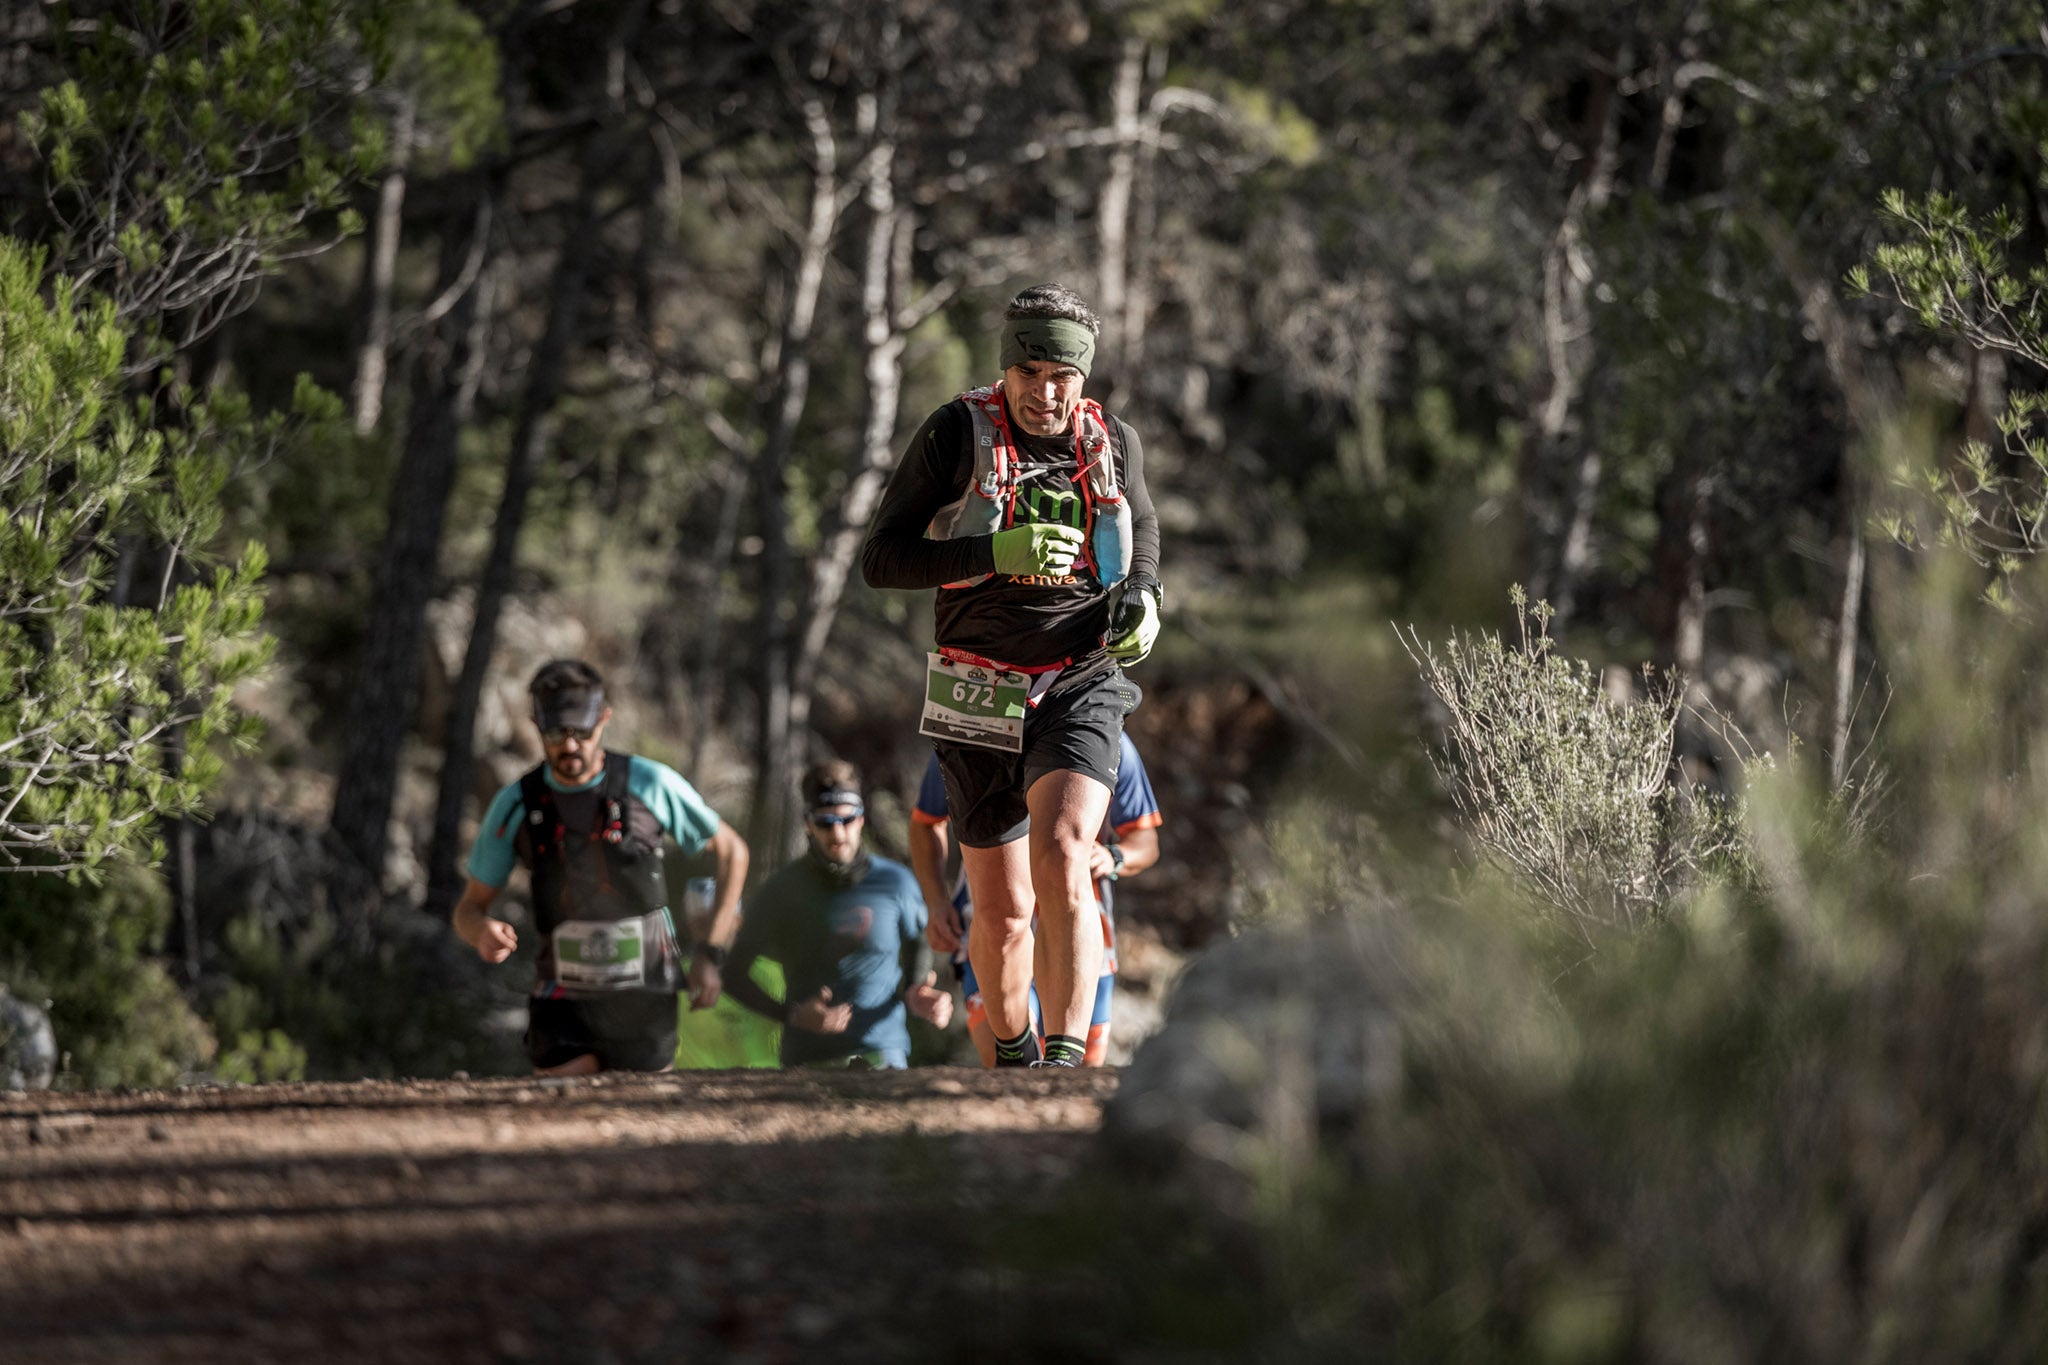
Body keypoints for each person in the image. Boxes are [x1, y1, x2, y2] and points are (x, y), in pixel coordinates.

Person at [862, 282, 1162, 1067]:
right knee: (999, 912)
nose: (1045, 392)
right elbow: (882, 559)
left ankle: (1065, 1056)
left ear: (1083, 378)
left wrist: (1145, 596)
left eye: (1062, 376)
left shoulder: (1114, 441)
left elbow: (1145, 523)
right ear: (1007, 370)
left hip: (1079, 675)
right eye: (1029, 373)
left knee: (1066, 851)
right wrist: (993, 553)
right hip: (976, 683)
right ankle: (1016, 1048)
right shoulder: (955, 433)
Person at [450, 659, 749, 1075]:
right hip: (561, 1000)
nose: (569, 746)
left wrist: (711, 953)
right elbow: (469, 908)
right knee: (562, 1121)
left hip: (646, 998)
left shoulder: (650, 784)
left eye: (582, 731)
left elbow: (733, 852)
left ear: (604, 719)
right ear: (536, 725)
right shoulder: (516, 804)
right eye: (556, 732)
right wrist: (480, 931)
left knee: (642, 1127)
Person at [908, 733, 1162, 1066]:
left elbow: (1146, 840)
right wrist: (936, 901)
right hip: (994, 922)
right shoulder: (971, 728)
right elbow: (925, 822)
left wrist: (1115, 856)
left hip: (1080, 932)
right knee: (1006, 1061)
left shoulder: (1106, 735)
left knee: (1077, 1073)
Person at [722, 761, 953, 1069]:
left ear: (862, 819)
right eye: (825, 822)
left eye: (847, 819)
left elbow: (917, 944)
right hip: (807, 1059)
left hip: (882, 1053)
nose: (838, 833)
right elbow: (733, 973)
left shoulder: (896, 882)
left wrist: (917, 992)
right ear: (807, 823)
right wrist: (791, 1014)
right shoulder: (781, 889)